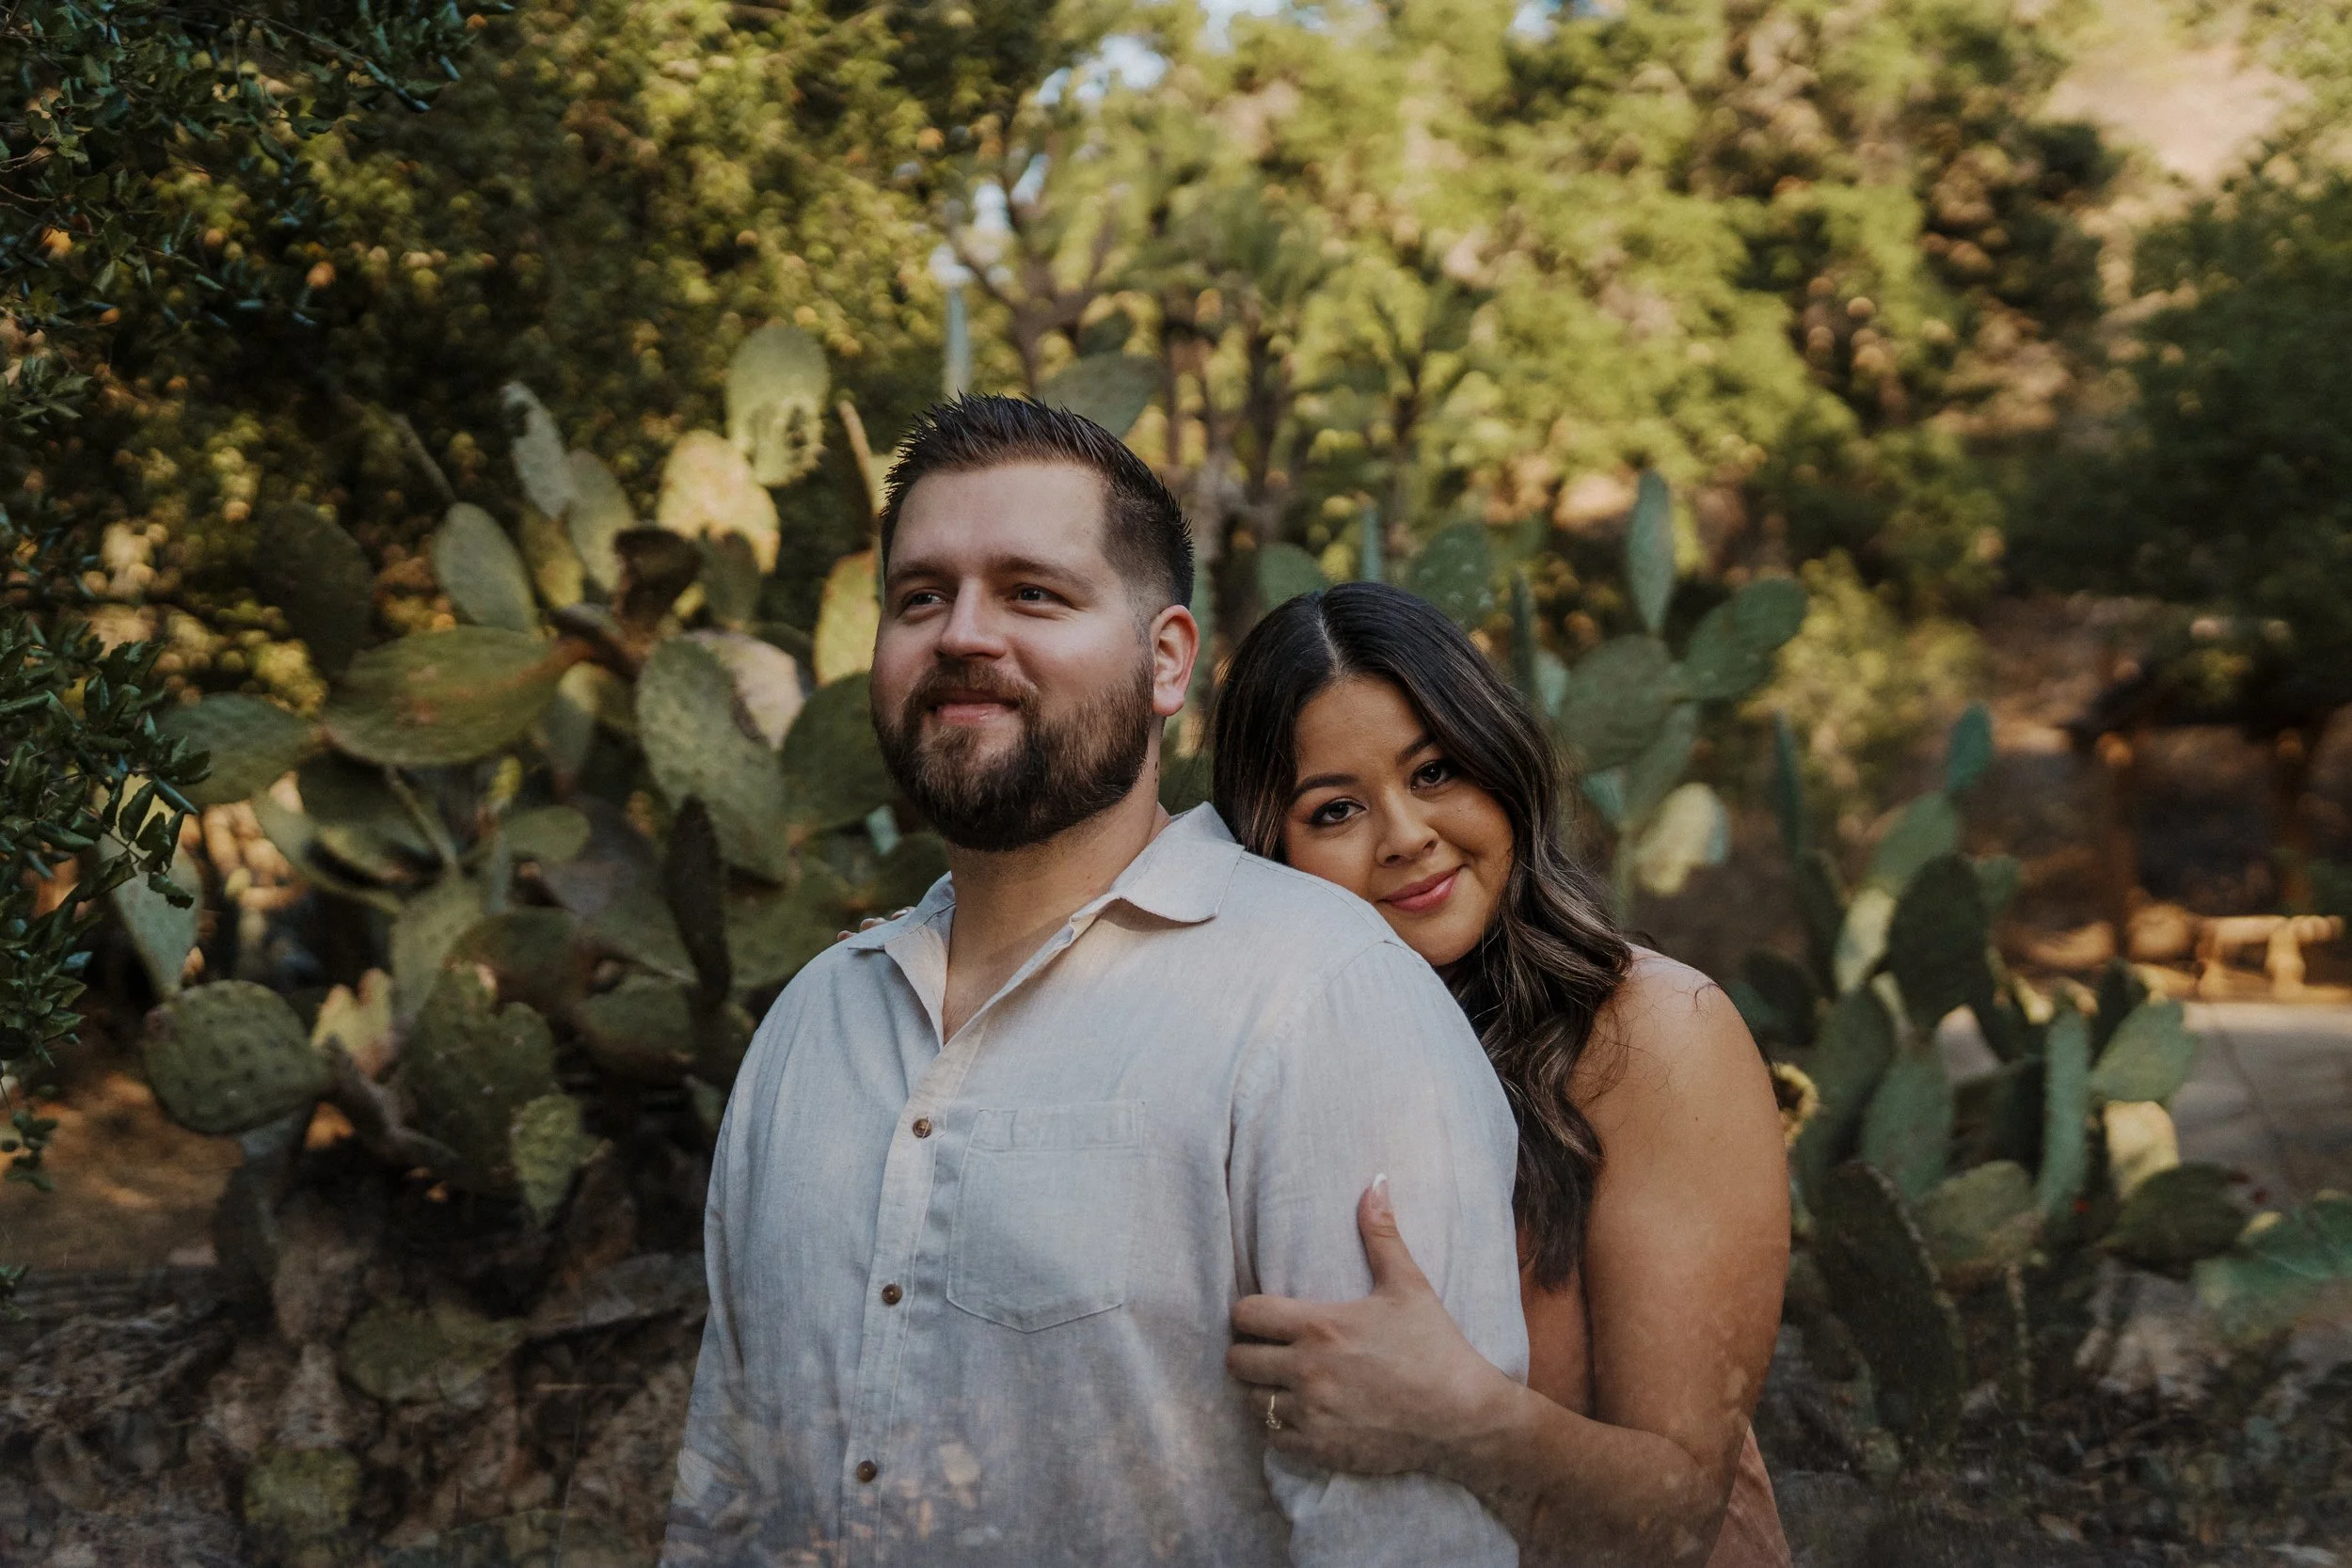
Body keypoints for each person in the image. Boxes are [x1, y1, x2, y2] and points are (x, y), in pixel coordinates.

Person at [661, 396, 1529, 1568]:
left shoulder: (1319, 1001)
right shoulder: (812, 1018)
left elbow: (1412, 1534)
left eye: (1033, 592)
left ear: (1166, 660)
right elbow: (723, 1484)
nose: (964, 633)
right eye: (921, 596)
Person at [1210, 581, 1793, 1568]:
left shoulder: (1653, 1036)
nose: (1403, 834)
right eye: (1336, 807)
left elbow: (1679, 1514)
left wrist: (1455, 1413)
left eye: (1434, 771)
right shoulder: (1264, 1059)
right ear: (1269, 849)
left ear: (1499, 765)